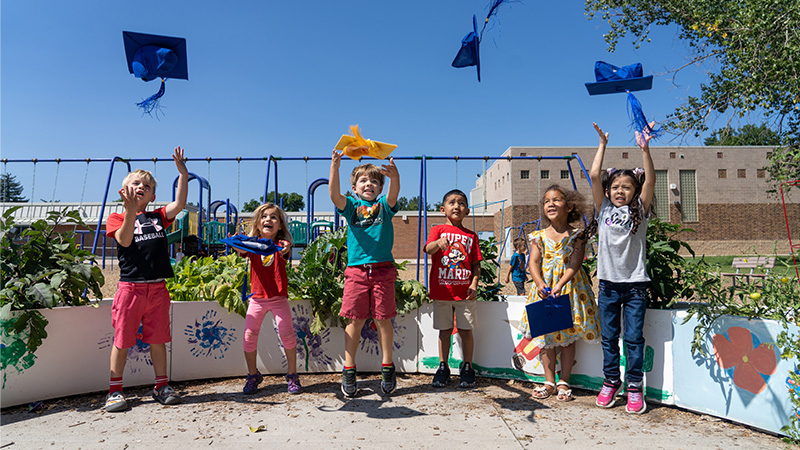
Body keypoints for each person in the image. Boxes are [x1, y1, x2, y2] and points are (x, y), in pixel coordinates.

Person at [103, 147, 188, 412]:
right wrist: (130, 212)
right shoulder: (117, 217)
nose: (142, 186)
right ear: (124, 190)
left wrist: (183, 175)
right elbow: (125, 240)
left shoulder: (158, 217)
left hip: (158, 288)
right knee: (123, 339)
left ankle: (161, 386)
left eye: (147, 185)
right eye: (136, 183)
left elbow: (180, 204)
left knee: (158, 339)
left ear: (153, 195)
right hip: (131, 289)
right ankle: (115, 391)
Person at [589, 122, 656, 414]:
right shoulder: (603, 208)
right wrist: (603, 143)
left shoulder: (640, 209)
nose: (620, 191)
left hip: (635, 286)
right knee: (609, 339)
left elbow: (651, 180)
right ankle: (610, 382)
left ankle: (633, 387)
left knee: (633, 339)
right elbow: (594, 174)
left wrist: (645, 149)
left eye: (626, 187)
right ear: (608, 190)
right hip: (607, 285)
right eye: (615, 187)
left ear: (635, 191)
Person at [329, 150, 400, 397]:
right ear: (354, 187)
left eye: (374, 181)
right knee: (355, 320)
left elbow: (393, 195)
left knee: (383, 319)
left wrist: (395, 176)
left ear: (379, 187)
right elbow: (334, 195)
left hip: (383, 270)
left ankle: (388, 366)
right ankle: (349, 369)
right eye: (363, 181)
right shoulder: (351, 207)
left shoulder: (383, 207)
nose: (368, 184)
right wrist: (335, 168)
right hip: (357, 272)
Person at [520, 185, 599, 401]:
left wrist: (561, 284)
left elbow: (576, 262)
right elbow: (533, 263)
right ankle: (549, 381)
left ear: (570, 206)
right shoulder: (538, 236)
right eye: (547, 201)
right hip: (545, 291)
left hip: (570, 289)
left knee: (567, 337)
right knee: (546, 337)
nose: (551, 204)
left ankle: (564, 381)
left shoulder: (577, 235)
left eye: (556, 200)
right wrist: (539, 283)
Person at [238, 203, 300, 395]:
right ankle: (252, 375)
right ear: (258, 223)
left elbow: (285, 249)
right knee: (249, 336)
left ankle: (292, 375)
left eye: (274, 217)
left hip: (278, 299)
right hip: (257, 299)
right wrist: (241, 239)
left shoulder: (281, 245)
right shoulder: (252, 244)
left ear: (280, 226)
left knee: (287, 334)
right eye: (264, 217)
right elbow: (241, 250)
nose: (268, 220)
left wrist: (285, 246)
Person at [425, 189, 482, 389]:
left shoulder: (471, 236)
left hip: (465, 293)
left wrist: (474, 284)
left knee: (466, 331)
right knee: (444, 331)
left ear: (467, 211)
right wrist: (438, 244)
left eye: (461, 203)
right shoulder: (438, 230)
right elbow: (427, 249)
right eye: (452, 202)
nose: (456, 206)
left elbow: (476, 264)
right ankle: (443, 367)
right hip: (442, 291)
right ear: (443, 209)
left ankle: (467, 366)